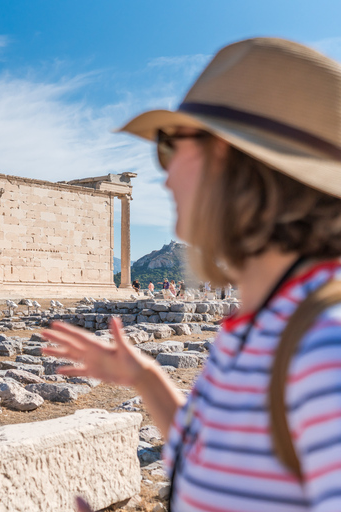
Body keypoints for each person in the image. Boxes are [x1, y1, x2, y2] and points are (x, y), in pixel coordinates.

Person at [43, 38, 341, 511]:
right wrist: (144, 378)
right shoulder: (265, 323)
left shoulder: (326, 345)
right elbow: (223, 455)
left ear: (224, 159)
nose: (163, 174)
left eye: (169, 146)